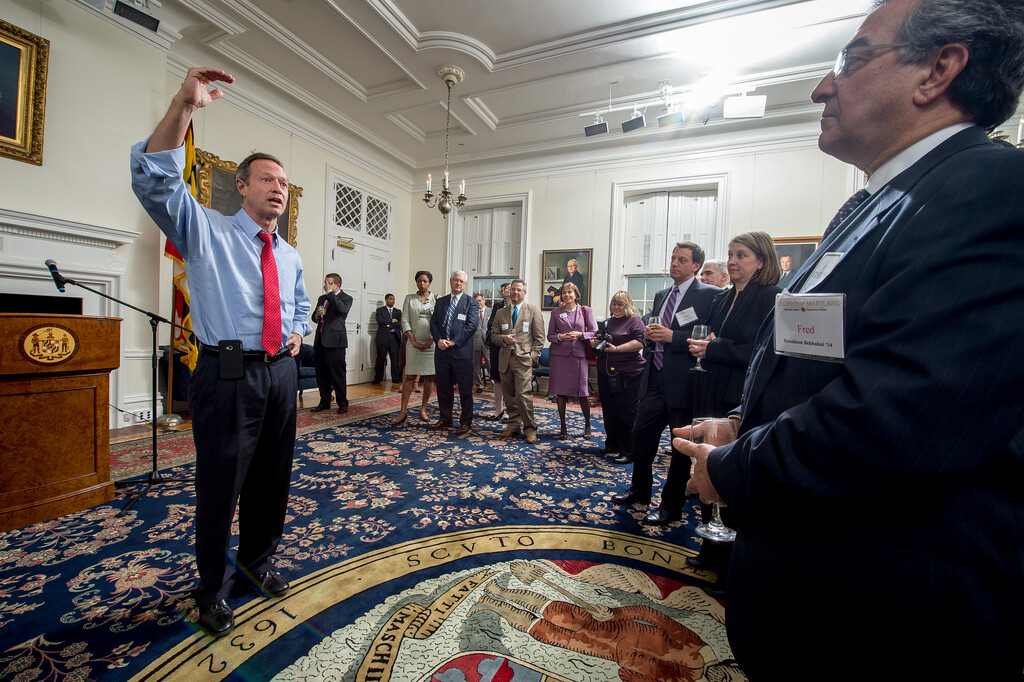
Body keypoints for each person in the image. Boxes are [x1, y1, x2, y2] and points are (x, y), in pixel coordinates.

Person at [675, 1, 1024, 677]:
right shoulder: (876, 205)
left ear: (939, 70)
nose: (820, 88)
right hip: (815, 584)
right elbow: (827, 361)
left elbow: (898, 423)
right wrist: (743, 423)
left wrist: (732, 468)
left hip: (887, 620)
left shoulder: (990, 189)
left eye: (852, 60)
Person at [130, 66, 310, 638]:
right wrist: (184, 107)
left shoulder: (289, 254)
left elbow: (300, 305)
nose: (278, 188)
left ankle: (257, 565)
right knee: (220, 487)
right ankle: (211, 590)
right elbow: (155, 182)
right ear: (242, 186)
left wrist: (297, 332)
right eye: (267, 179)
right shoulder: (204, 230)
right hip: (228, 374)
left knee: (271, 482)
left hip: (281, 376)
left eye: (284, 182)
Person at [685, 231, 782, 590]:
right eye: (730, 254)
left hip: (739, 397)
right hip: (710, 387)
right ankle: (710, 550)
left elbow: (761, 352)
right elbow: (713, 337)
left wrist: (714, 348)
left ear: (762, 260)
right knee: (707, 465)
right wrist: (706, 347)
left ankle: (732, 567)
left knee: (732, 475)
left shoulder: (771, 297)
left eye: (741, 255)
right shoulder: (723, 297)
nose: (732, 261)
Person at [611, 242, 717, 526]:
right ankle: (640, 490)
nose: (674, 264)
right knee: (641, 435)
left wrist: (674, 337)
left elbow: (710, 336)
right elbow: (655, 331)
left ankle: (671, 506)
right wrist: (648, 334)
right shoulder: (662, 294)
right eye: (672, 258)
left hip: (684, 383)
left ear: (695, 265)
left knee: (679, 447)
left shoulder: (710, 295)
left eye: (681, 260)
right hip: (654, 378)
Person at [592, 291, 646, 464]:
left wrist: (617, 349)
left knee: (626, 413)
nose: (616, 307)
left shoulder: (635, 320)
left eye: (620, 304)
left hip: (628, 373)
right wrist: (595, 342)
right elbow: (596, 340)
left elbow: (640, 342)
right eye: (614, 304)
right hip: (606, 372)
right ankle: (612, 444)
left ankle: (628, 450)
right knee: (609, 410)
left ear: (627, 305)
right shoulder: (607, 322)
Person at [492, 279, 545, 444]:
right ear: (509, 291)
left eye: (519, 290)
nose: (515, 292)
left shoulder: (533, 311)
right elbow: (493, 335)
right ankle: (513, 426)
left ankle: (530, 429)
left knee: (523, 396)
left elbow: (540, 338)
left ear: (524, 293)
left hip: (523, 360)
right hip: (505, 360)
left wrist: (532, 357)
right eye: (513, 289)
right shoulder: (501, 313)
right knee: (509, 396)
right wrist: (503, 338)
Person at [428, 270, 478, 434]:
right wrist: (438, 340)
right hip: (442, 351)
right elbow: (433, 323)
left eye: (461, 281)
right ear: (450, 281)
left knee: (465, 390)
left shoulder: (471, 302)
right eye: (456, 280)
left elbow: (471, 326)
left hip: (461, 352)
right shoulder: (441, 301)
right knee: (443, 388)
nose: (458, 283)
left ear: (465, 284)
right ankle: (445, 419)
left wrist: (454, 342)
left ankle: (465, 422)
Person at [547, 282, 597, 439]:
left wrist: (580, 334)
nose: (567, 295)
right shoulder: (555, 313)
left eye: (570, 292)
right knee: (560, 392)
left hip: (579, 356)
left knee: (582, 392)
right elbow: (550, 336)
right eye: (564, 292)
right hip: (560, 357)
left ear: (576, 294)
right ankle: (563, 427)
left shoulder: (585, 311)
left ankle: (587, 424)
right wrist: (561, 336)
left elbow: (594, 332)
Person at [394, 271, 435, 425]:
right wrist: (413, 341)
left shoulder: (435, 299)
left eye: (425, 281)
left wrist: (431, 339)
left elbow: (438, 321)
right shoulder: (409, 298)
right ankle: (402, 411)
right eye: (419, 281)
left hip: (431, 343)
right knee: (409, 376)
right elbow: (404, 320)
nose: (422, 284)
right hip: (413, 342)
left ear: (429, 283)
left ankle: (423, 409)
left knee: (429, 377)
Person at [311, 273, 353, 413]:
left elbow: (342, 309)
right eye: (325, 282)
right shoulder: (322, 298)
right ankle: (324, 402)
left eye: (329, 283)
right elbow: (314, 318)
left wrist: (330, 293)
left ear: (337, 285)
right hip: (320, 341)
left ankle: (342, 403)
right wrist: (317, 315)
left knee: (337, 374)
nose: (325, 285)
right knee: (321, 375)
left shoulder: (346, 298)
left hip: (335, 342)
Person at [484, 282, 510, 421]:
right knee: (497, 378)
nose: (506, 291)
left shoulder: (520, 307)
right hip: (497, 346)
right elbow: (491, 325)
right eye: (504, 289)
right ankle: (498, 410)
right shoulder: (497, 306)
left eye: (509, 288)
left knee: (510, 379)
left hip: (511, 347)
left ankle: (511, 412)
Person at [373, 294, 402, 385]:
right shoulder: (380, 310)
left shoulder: (398, 312)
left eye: (394, 299)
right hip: (383, 338)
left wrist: (387, 325)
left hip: (394, 338)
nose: (392, 300)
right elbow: (380, 321)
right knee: (380, 359)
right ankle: (378, 378)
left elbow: (400, 324)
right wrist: (392, 321)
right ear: (386, 300)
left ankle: (396, 378)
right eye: (390, 299)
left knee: (395, 360)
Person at [471, 293, 489, 393]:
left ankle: (495, 383)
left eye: (480, 300)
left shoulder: (491, 311)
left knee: (489, 363)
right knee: (476, 365)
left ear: (484, 300)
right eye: (476, 301)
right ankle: (479, 385)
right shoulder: (472, 312)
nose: (478, 303)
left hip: (487, 341)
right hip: (476, 341)